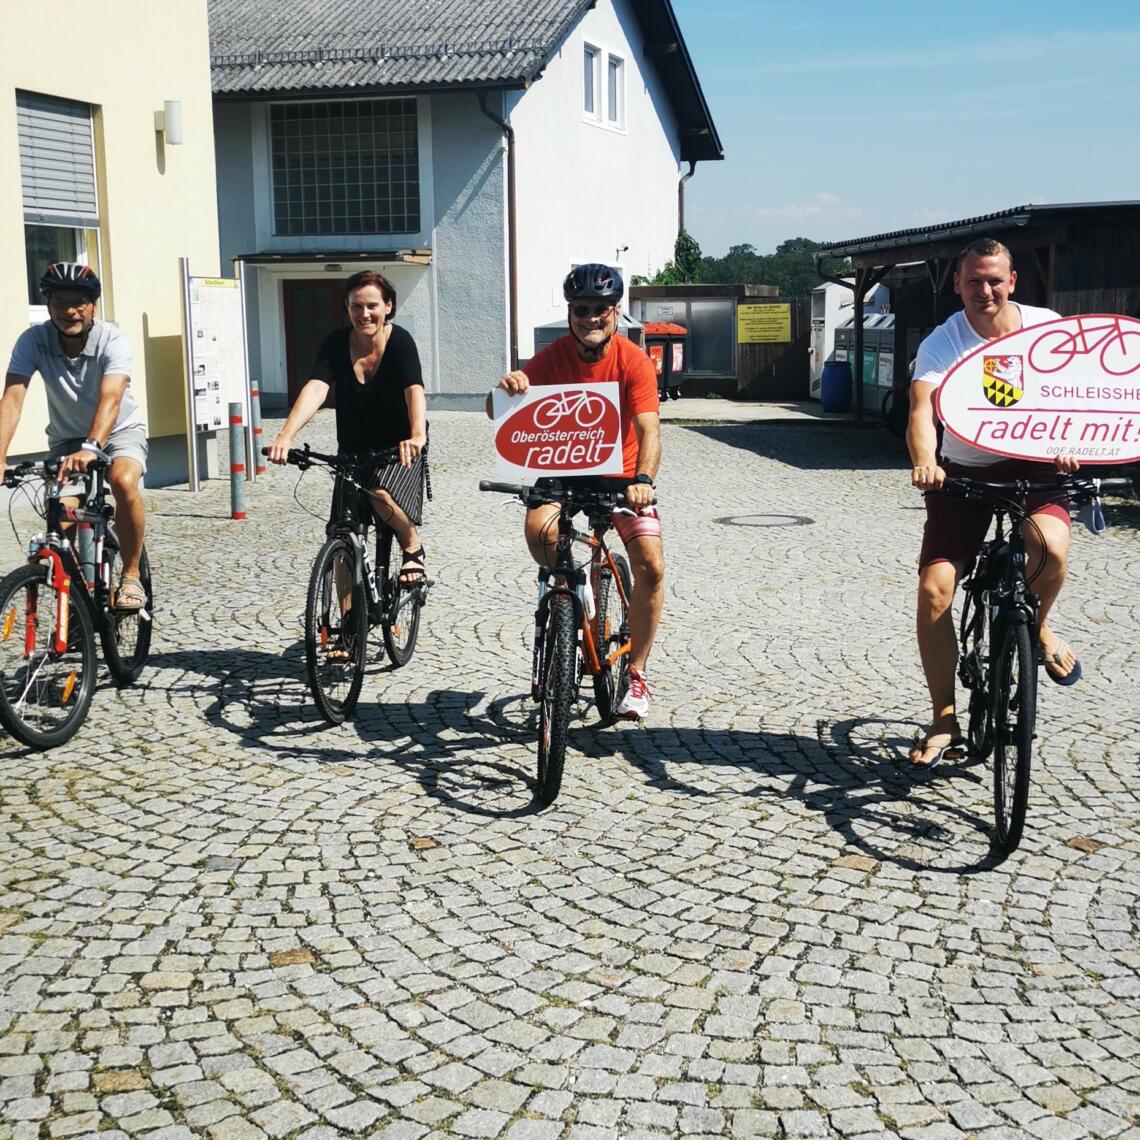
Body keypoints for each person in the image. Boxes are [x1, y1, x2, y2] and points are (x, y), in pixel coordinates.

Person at [907, 238, 1079, 769]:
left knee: (1048, 548)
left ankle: (1040, 625)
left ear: (1013, 281)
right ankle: (943, 718)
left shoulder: (1046, 326)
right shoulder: (944, 340)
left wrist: (1073, 442)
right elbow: (920, 408)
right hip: (965, 471)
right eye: (974, 280)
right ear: (957, 284)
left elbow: (1076, 393)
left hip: (1035, 464)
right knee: (935, 591)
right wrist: (925, 460)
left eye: (994, 279)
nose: (985, 289)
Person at [487, 263, 663, 719]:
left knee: (651, 565)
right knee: (537, 531)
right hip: (564, 470)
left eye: (600, 310)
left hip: (620, 474)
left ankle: (638, 674)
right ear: (570, 312)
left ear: (615, 311)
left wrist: (642, 481)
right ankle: (566, 594)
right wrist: (506, 389)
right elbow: (495, 411)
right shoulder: (551, 357)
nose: (591, 318)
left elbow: (649, 430)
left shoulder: (633, 360)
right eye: (581, 309)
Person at [1, 262, 149, 608]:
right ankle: (78, 604)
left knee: (123, 481)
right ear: (48, 305)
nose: (69, 310)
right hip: (67, 440)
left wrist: (93, 446)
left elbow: (111, 396)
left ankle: (130, 577)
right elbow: (12, 398)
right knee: (60, 516)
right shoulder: (33, 341)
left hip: (117, 433)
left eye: (78, 302)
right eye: (59, 301)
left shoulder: (112, 339)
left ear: (93, 305)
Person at [267, 270, 428, 584]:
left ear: (388, 307)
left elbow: (414, 389)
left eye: (372, 306)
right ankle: (349, 624)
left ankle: (412, 546)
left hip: (398, 447)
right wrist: (285, 435)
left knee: (380, 493)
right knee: (343, 532)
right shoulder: (336, 343)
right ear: (347, 308)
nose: (364, 314)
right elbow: (317, 388)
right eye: (356, 306)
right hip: (352, 450)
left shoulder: (400, 342)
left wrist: (417, 435)